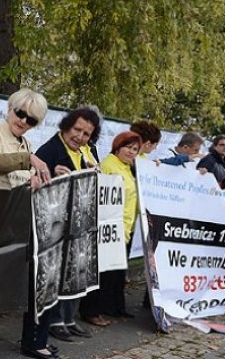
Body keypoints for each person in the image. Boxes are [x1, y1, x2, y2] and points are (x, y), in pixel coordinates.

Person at [0, 88, 51, 359]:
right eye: (20, 113)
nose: (23, 121)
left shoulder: (26, 144)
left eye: (31, 120)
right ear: (10, 109)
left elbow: (23, 178)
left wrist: (34, 179)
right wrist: (27, 160)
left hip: (15, 225)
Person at [31, 107, 101, 348]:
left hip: (78, 223)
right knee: (56, 275)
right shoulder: (50, 149)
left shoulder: (86, 152)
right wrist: (51, 173)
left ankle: (68, 318)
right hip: (55, 228)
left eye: (86, 133)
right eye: (77, 129)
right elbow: (36, 182)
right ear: (66, 126)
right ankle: (54, 322)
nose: (80, 136)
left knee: (75, 271)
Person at [81, 131, 142, 326]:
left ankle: (112, 308)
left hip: (124, 230)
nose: (131, 152)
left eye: (135, 149)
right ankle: (91, 311)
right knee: (101, 274)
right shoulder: (109, 164)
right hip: (107, 229)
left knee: (115, 275)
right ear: (117, 146)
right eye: (128, 147)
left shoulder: (128, 167)